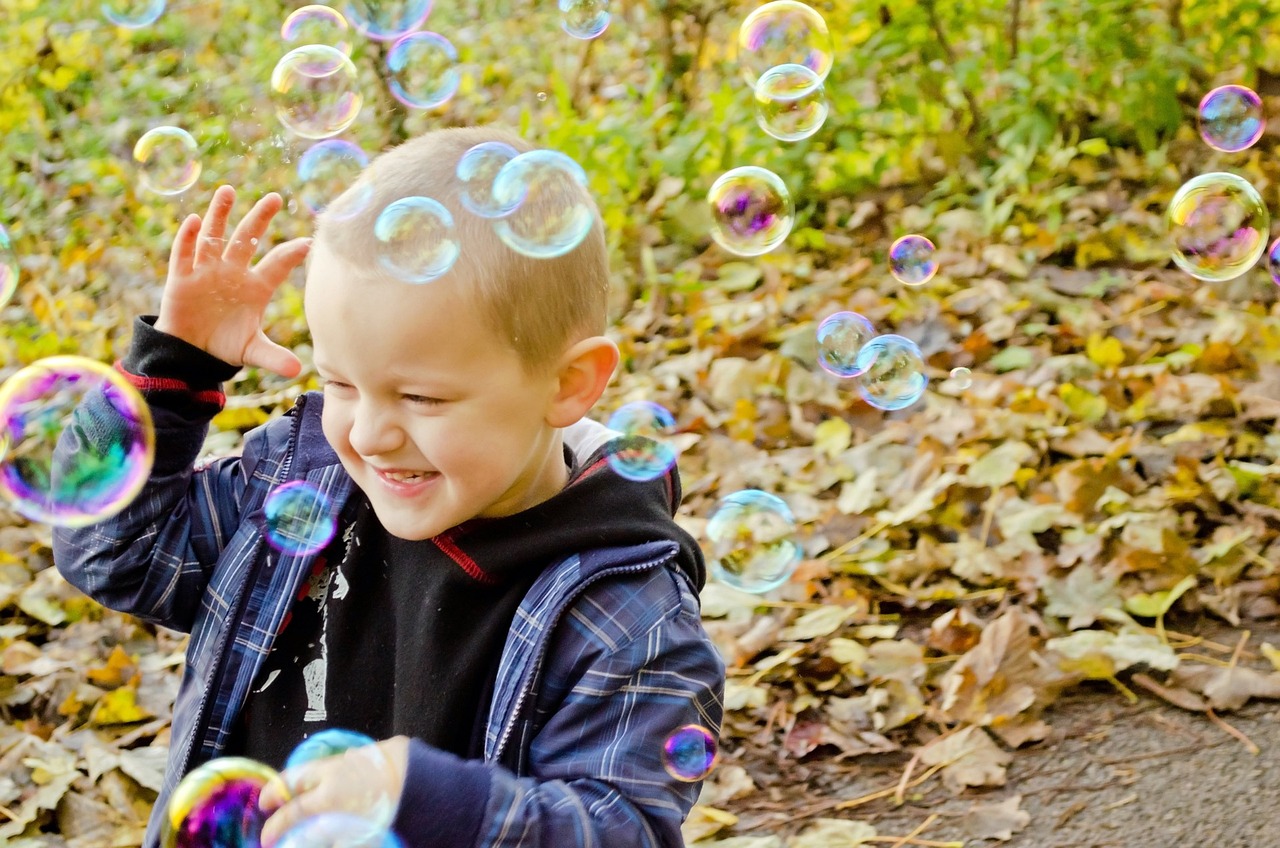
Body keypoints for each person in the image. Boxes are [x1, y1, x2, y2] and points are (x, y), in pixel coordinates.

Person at [53, 126, 725, 848]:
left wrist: (430, 799)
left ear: (567, 385)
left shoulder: (626, 614)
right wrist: (173, 370)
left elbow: (622, 830)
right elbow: (116, 551)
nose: (370, 435)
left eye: (422, 399)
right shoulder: (303, 479)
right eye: (339, 383)